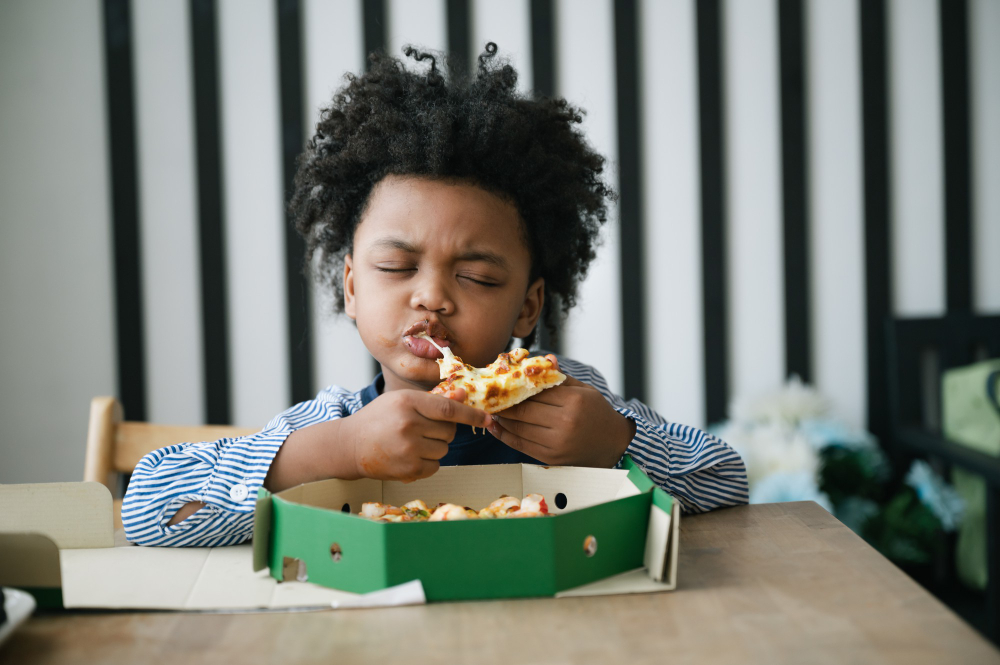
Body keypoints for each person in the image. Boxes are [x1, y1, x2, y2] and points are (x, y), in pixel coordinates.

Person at [122, 44, 747, 547]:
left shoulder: (575, 401)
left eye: (476, 277)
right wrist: (331, 455)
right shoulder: (330, 426)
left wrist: (618, 442)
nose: (432, 297)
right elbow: (148, 509)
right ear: (351, 288)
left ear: (528, 306)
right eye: (396, 266)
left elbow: (728, 480)